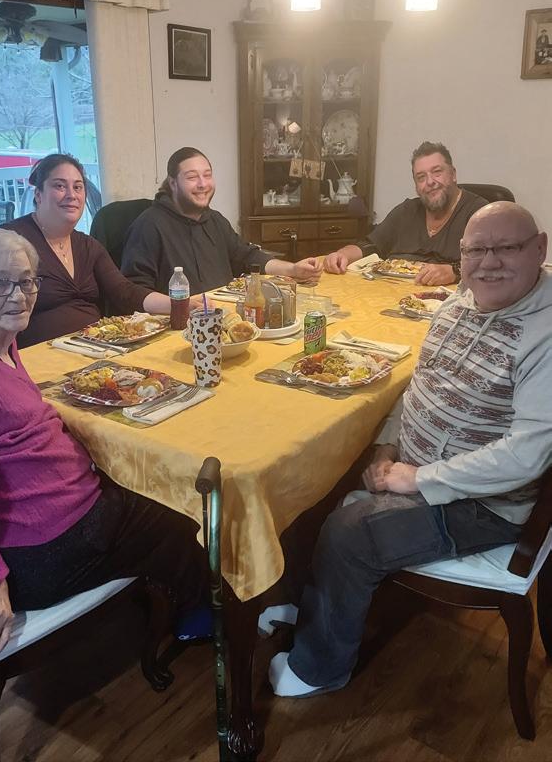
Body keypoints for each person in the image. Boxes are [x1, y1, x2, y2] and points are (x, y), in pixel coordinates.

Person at [269, 201, 552, 697]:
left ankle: (318, 668)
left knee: (350, 532)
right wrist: (385, 447)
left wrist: (418, 478)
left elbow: (525, 456)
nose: (489, 262)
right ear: (461, 255)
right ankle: (309, 604)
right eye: (477, 250)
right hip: (416, 466)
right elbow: (420, 385)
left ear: (540, 249)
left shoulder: (544, 334)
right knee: (313, 474)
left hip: (485, 504)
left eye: (507, 248)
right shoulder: (459, 302)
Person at [0, 227, 207, 656]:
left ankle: (175, 594)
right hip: (44, 548)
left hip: (60, 513)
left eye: (27, 281)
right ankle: (201, 617)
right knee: (183, 513)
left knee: (147, 479)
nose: (19, 295)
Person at [3, 153, 198, 347]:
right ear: (38, 194)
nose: (71, 195)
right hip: (41, 355)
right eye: (60, 186)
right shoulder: (9, 241)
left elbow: (125, 292)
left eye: (78, 187)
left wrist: (181, 305)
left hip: (97, 347)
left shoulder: (88, 245)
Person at [121, 147, 323, 294]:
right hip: (178, 327)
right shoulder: (149, 226)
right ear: (173, 183)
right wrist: (180, 307)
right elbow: (134, 290)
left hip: (225, 318)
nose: (202, 184)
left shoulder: (215, 220)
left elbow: (247, 257)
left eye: (207, 175)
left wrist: (293, 269)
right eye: (192, 177)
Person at [323, 141, 488, 285]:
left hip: (449, 304)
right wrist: (342, 254)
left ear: (453, 174)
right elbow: (370, 245)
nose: (430, 182)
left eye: (437, 172)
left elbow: (493, 263)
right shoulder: (406, 211)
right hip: (395, 297)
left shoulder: (480, 214)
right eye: (421, 177)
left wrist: (455, 271)